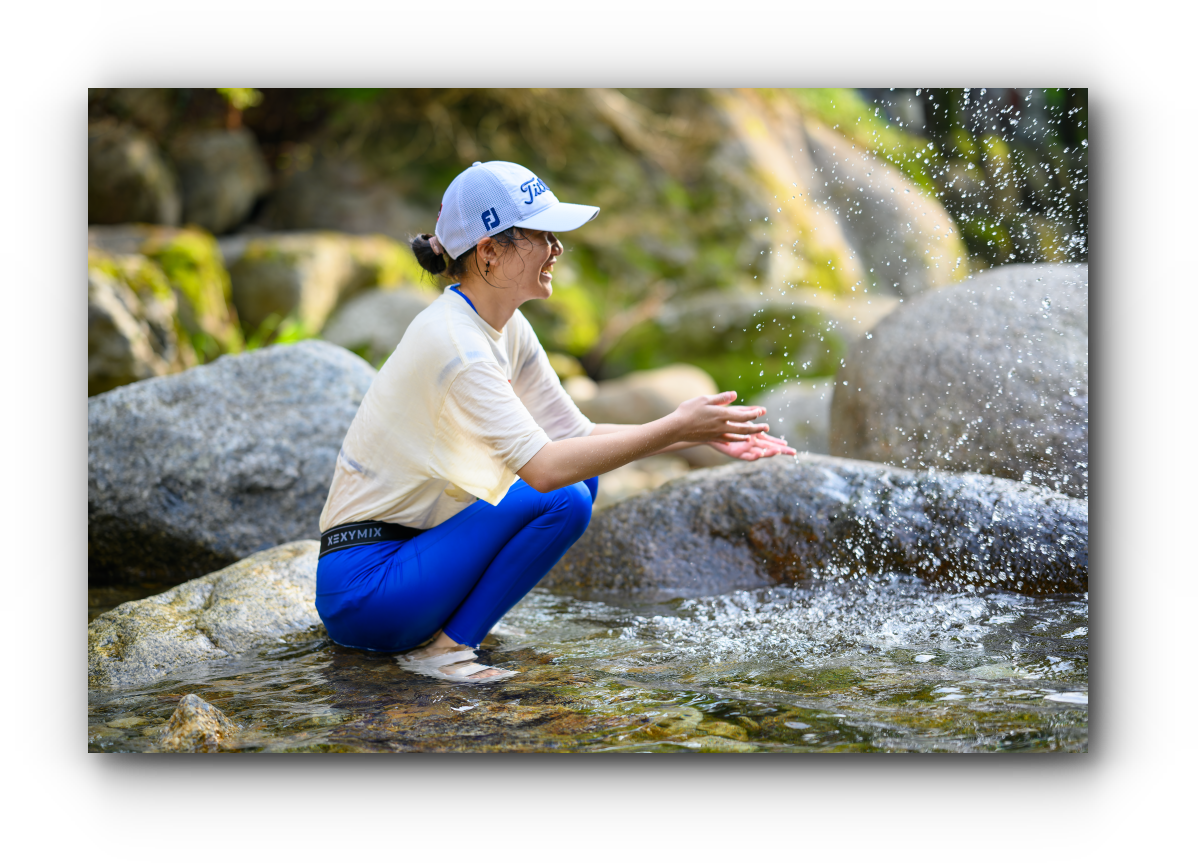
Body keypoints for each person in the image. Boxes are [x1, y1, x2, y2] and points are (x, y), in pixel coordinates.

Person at [315, 160, 795, 682]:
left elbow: (576, 437)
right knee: (564, 494)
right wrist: (675, 428)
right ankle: (444, 651)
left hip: (412, 564)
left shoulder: (504, 326)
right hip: (368, 587)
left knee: (583, 476)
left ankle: (446, 638)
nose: (557, 248)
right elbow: (544, 471)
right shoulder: (458, 347)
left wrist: (695, 434)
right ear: (489, 252)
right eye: (542, 235)